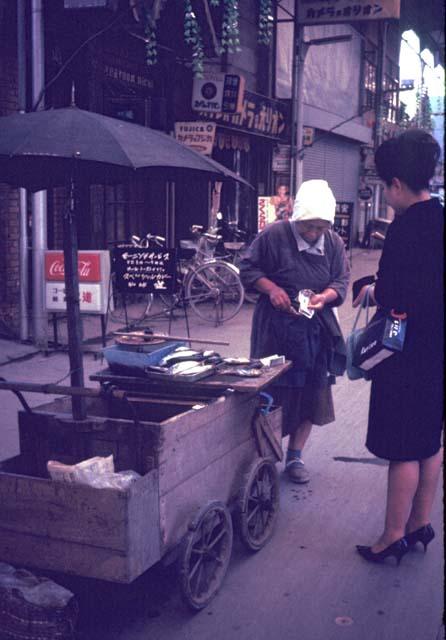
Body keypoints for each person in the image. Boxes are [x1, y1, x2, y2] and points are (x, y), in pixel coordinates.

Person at [353, 129, 443, 566]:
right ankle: (419, 523)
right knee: (430, 440)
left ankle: (391, 536)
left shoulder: (405, 228)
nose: (386, 195)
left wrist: (371, 290)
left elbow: (392, 292)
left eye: (385, 186)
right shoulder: (442, 218)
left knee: (404, 447)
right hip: (439, 349)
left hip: (406, 353)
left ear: (397, 184)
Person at [240, 179, 350, 483]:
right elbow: (247, 268)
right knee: (273, 393)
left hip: (316, 331)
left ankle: (295, 457)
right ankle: (265, 457)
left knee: (311, 392)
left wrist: (324, 297)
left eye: (320, 227)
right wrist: (272, 288)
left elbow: (341, 282)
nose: (314, 234)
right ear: (296, 218)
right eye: (308, 227)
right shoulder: (274, 234)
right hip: (275, 330)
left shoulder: (335, 243)